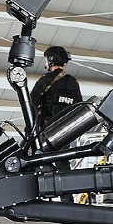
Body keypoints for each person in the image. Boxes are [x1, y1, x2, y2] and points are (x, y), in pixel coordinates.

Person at [30, 46, 82, 201]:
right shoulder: (72, 82)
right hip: (65, 132)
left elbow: (31, 104)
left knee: (34, 163)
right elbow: (79, 106)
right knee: (63, 166)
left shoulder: (45, 80)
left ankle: (34, 200)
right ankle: (68, 202)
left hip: (46, 132)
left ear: (51, 60)